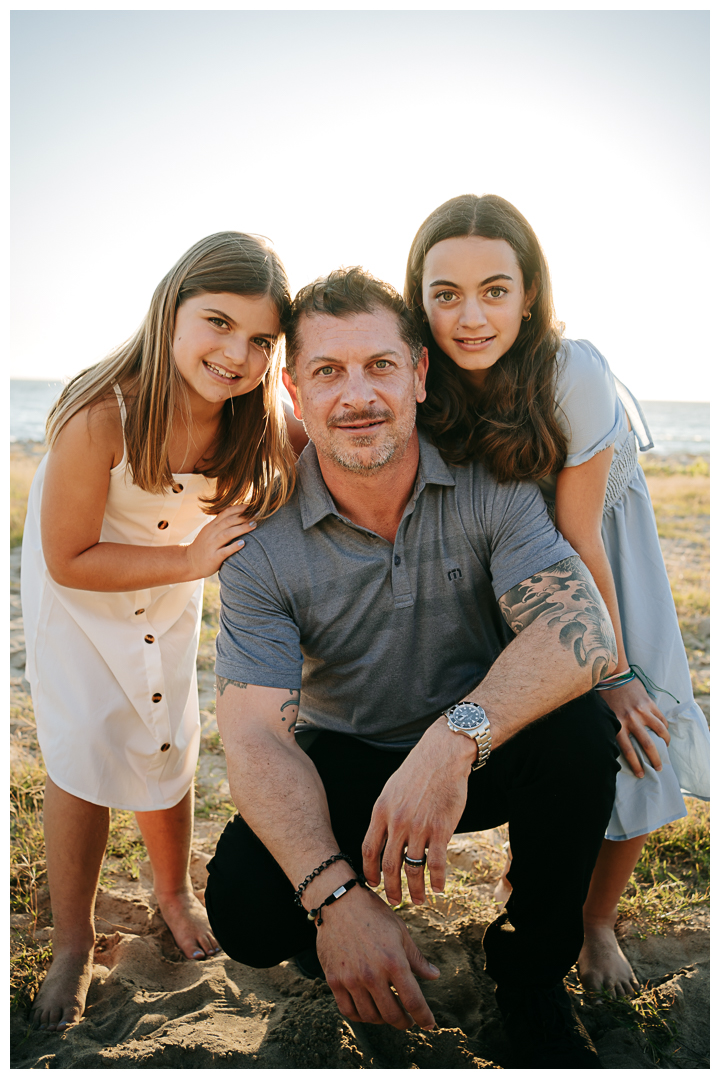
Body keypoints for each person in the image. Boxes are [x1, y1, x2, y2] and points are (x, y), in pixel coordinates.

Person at [205, 267, 622, 1068]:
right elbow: (253, 734)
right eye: (328, 371)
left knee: (580, 736)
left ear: (421, 375)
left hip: (481, 748)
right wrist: (336, 898)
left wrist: (456, 737)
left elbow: (582, 630)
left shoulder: (492, 483)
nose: (357, 394)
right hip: (350, 762)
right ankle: (338, 931)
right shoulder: (261, 540)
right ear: (293, 390)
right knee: (248, 913)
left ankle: (531, 976)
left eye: (380, 366)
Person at [404, 193, 710, 999]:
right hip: (505, 561)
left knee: (633, 723)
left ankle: (598, 919)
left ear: (530, 292)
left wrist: (610, 669)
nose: (472, 316)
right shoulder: (422, 372)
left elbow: (579, 534)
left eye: (495, 290)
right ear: (419, 296)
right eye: (447, 294)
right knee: (539, 730)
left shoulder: (572, 368)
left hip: (601, 548)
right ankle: (535, 875)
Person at [21, 231, 303, 1032]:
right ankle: (74, 940)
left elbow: (315, 449)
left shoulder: (253, 417)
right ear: (171, 309)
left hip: (172, 580)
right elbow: (69, 556)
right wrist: (184, 558)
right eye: (217, 322)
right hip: (85, 586)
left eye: (260, 341)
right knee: (84, 748)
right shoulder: (100, 412)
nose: (235, 353)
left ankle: (173, 892)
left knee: (165, 736)